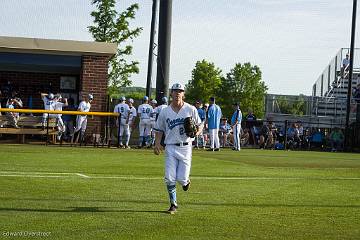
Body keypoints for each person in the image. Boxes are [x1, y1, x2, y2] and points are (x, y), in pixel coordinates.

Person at [153, 83, 202, 214]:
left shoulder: (190, 109)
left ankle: (186, 182)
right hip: (170, 147)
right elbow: (158, 129)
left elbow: (200, 124)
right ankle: (173, 204)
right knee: (169, 178)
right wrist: (157, 143)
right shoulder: (165, 111)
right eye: (175, 91)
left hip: (186, 147)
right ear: (171, 93)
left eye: (180, 91)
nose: (177, 93)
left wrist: (197, 132)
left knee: (181, 179)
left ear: (183, 94)